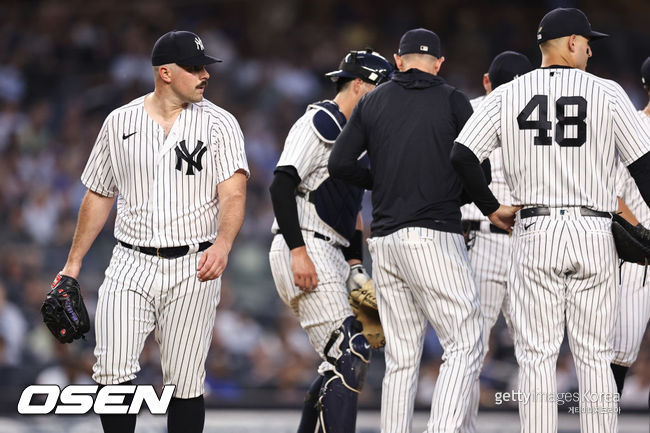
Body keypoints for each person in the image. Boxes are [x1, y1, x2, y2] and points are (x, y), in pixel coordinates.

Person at [451, 8, 650, 433]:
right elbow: (645, 168)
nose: (591, 48)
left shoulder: (507, 94)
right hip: (594, 231)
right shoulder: (609, 93)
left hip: (534, 229)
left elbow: (462, 155)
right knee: (594, 355)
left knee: (537, 356)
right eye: (587, 41)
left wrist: (490, 206)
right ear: (573, 43)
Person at [58, 30, 248, 433]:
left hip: (193, 265)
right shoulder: (120, 121)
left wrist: (224, 243)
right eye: (194, 67)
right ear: (165, 72)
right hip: (130, 260)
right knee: (112, 371)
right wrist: (73, 264)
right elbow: (98, 195)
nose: (204, 75)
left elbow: (233, 194)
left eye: (205, 67)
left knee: (184, 380)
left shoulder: (220, 123)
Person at [329, 28, 486, 433]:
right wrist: (449, 192)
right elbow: (478, 169)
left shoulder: (374, 100)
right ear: (438, 62)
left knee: (401, 356)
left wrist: (382, 180)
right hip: (433, 233)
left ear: (397, 61)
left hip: (385, 240)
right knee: (466, 340)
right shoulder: (453, 99)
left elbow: (340, 165)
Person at [268, 48, 392, 433]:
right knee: (349, 350)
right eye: (380, 89)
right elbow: (282, 183)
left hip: (334, 252)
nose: (386, 99)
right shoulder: (319, 121)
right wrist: (298, 251)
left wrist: (356, 264)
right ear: (359, 84)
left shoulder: (361, 137)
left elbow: (349, 208)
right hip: (305, 243)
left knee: (360, 348)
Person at [459, 50, 533, 433]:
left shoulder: (468, 110)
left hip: (480, 238)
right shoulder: (542, 114)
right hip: (528, 238)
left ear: (487, 81)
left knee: (469, 349)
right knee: (536, 351)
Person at [609, 56, 650, 408]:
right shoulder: (632, 127)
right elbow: (613, 194)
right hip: (638, 258)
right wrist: (642, 234)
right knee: (620, 353)